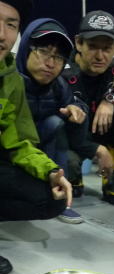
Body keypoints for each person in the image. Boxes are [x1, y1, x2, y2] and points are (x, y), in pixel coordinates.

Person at [0, 0, 72, 274]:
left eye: (11, 25)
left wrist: (52, 171)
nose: (2, 35)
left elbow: (19, 142)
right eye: (43, 51)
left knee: (50, 197)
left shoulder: (11, 80)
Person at [63, 10, 114, 206]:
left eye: (107, 48)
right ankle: (73, 176)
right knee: (68, 158)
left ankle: (111, 182)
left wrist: (111, 99)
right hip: (72, 136)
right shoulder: (62, 69)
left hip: (104, 130)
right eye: (92, 46)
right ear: (78, 43)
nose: (100, 55)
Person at [16, 18, 88, 224]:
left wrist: (78, 110)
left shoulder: (58, 85)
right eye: (43, 52)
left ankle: (61, 196)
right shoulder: (10, 80)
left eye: (58, 57)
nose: (50, 63)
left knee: (56, 123)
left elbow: (75, 103)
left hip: (37, 155)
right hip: (10, 151)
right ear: (26, 48)